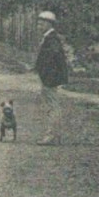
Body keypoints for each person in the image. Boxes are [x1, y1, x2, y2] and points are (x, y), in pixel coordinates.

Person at [32, 10, 70, 144]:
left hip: (50, 78)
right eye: (39, 23)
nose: (39, 26)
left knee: (52, 107)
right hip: (48, 77)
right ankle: (55, 135)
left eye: (42, 23)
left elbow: (52, 58)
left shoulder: (51, 39)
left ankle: (51, 136)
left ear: (49, 24)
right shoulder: (49, 38)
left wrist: (47, 74)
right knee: (52, 106)